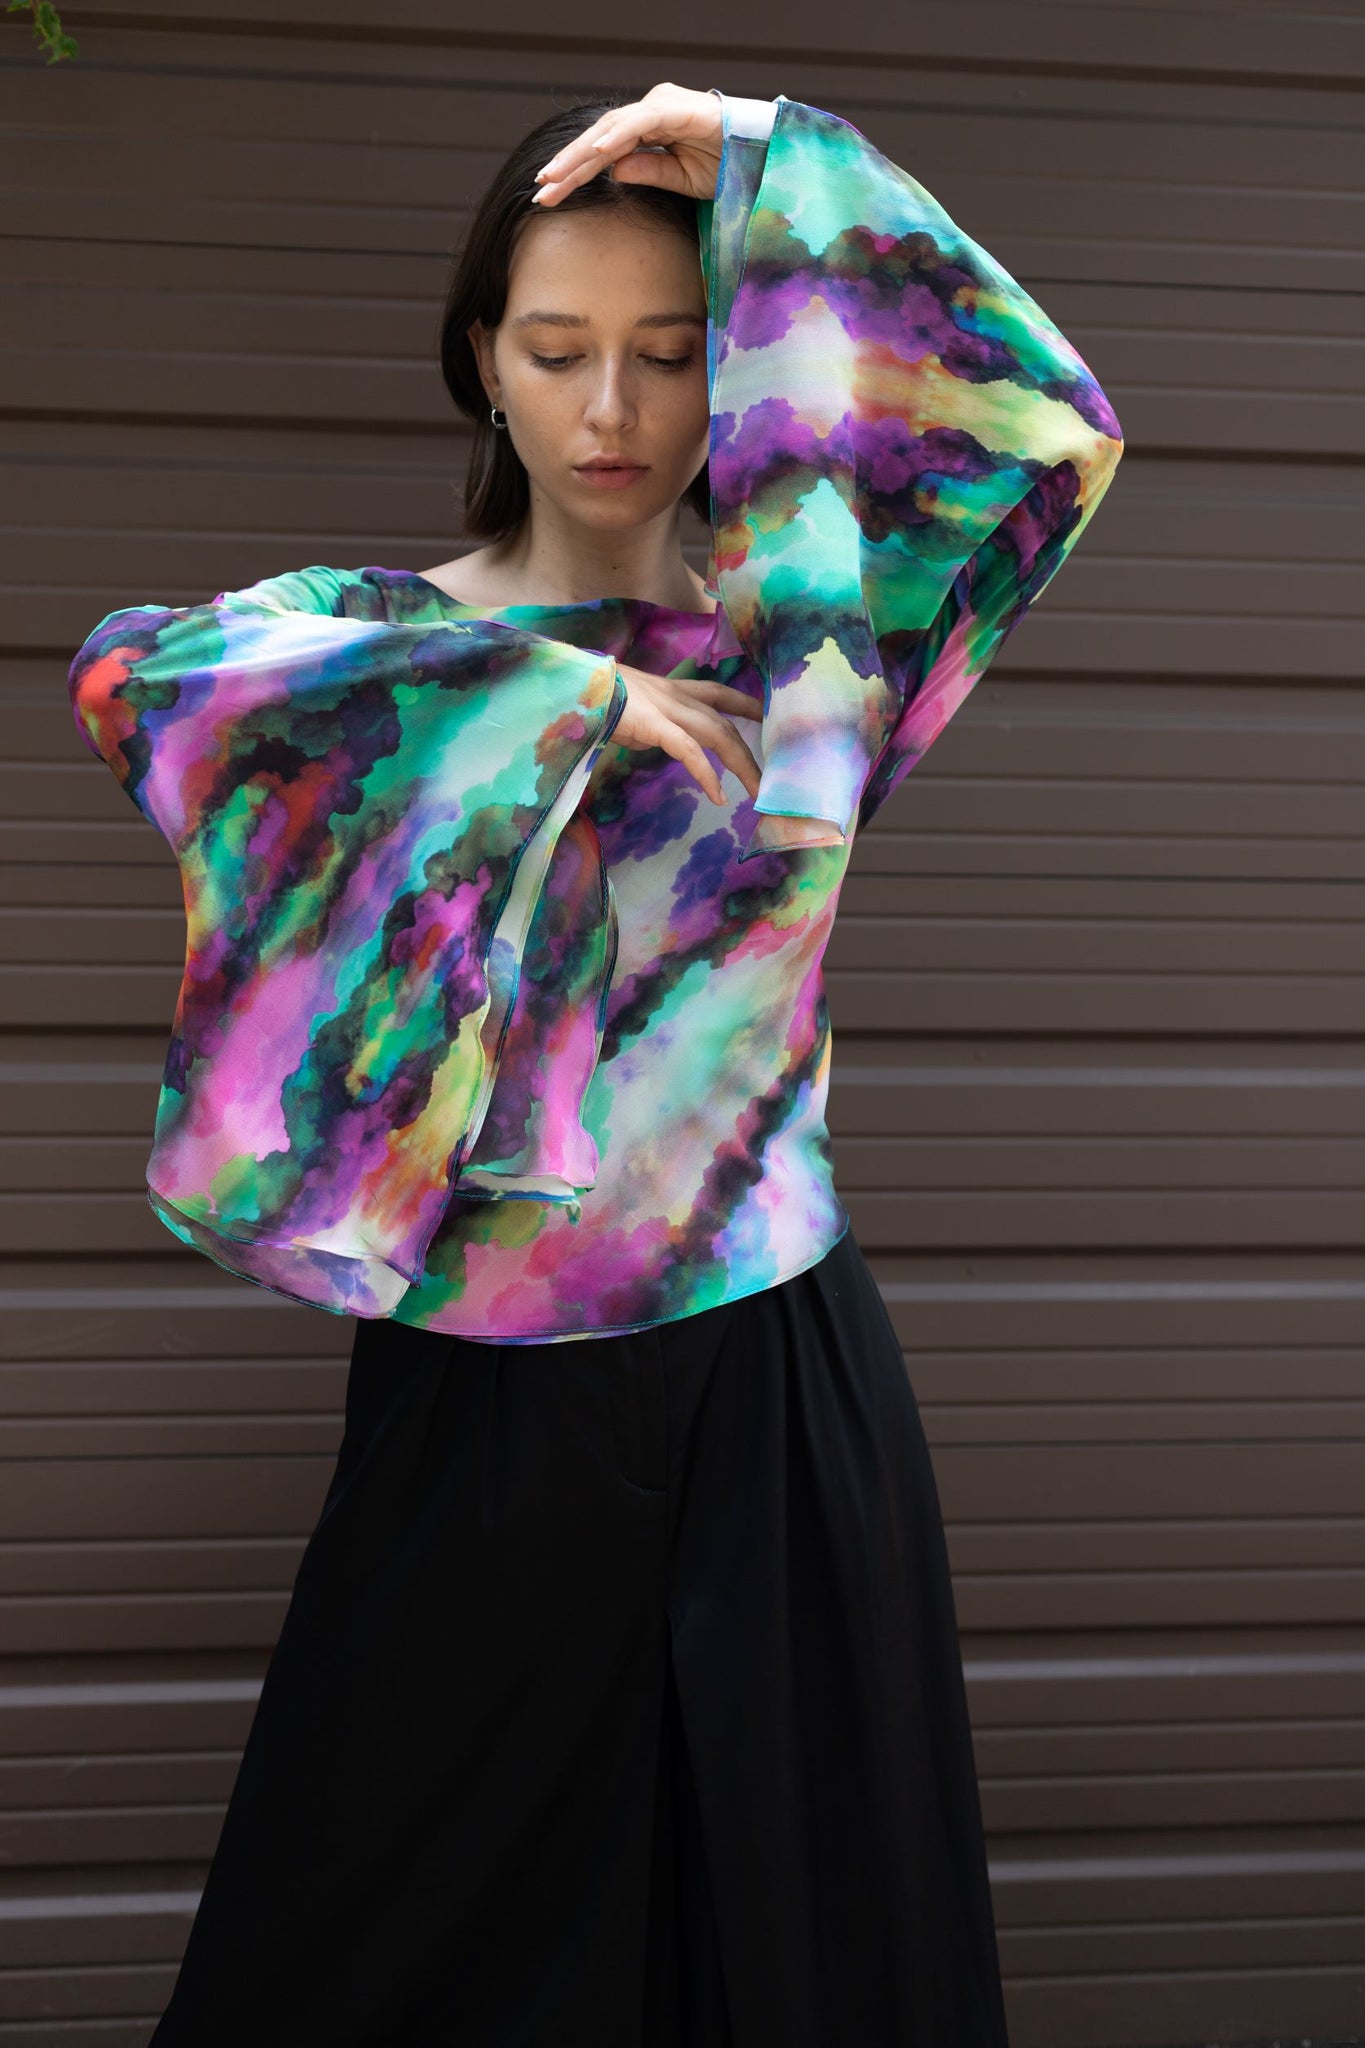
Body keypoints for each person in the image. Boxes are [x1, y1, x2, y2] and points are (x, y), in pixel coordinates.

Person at [69, 80, 1123, 2046]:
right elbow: (137, 678)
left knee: (801, 1970)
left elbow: (1041, 427)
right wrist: (558, 697)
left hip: (771, 1379)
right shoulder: (377, 640)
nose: (612, 408)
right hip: (474, 1389)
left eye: (670, 349)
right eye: (556, 351)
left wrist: (776, 159)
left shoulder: (816, 649)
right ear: (483, 357)